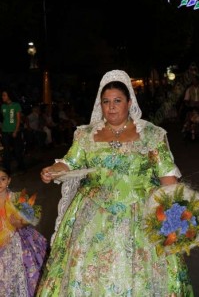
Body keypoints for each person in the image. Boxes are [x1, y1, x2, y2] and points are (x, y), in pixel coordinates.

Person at [38, 70, 194, 296]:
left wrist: (175, 212)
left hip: (139, 213)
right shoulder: (86, 135)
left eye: (117, 101)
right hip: (92, 215)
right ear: (100, 105)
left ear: (129, 102)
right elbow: (70, 162)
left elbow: (167, 175)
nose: (111, 107)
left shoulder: (151, 134)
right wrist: (53, 170)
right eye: (106, 102)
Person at [0, 167, 48, 296]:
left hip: (19, 239)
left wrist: (20, 223)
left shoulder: (16, 198)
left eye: (2, 179)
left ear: (9, 180)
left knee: (25, 268)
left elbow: (31, 217)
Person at [0, 88, 26, 174]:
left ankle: (22, 167)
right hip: (5, 131)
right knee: (6, 151)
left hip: (14, 131)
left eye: (4, 95)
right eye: (2, 95)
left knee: (17, 150)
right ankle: (7, 170)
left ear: (9, 96)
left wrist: (15, 131)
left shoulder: (16, 105)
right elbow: (3, 119)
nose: (2, 97)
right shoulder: (2, 106)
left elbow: (18, 119)